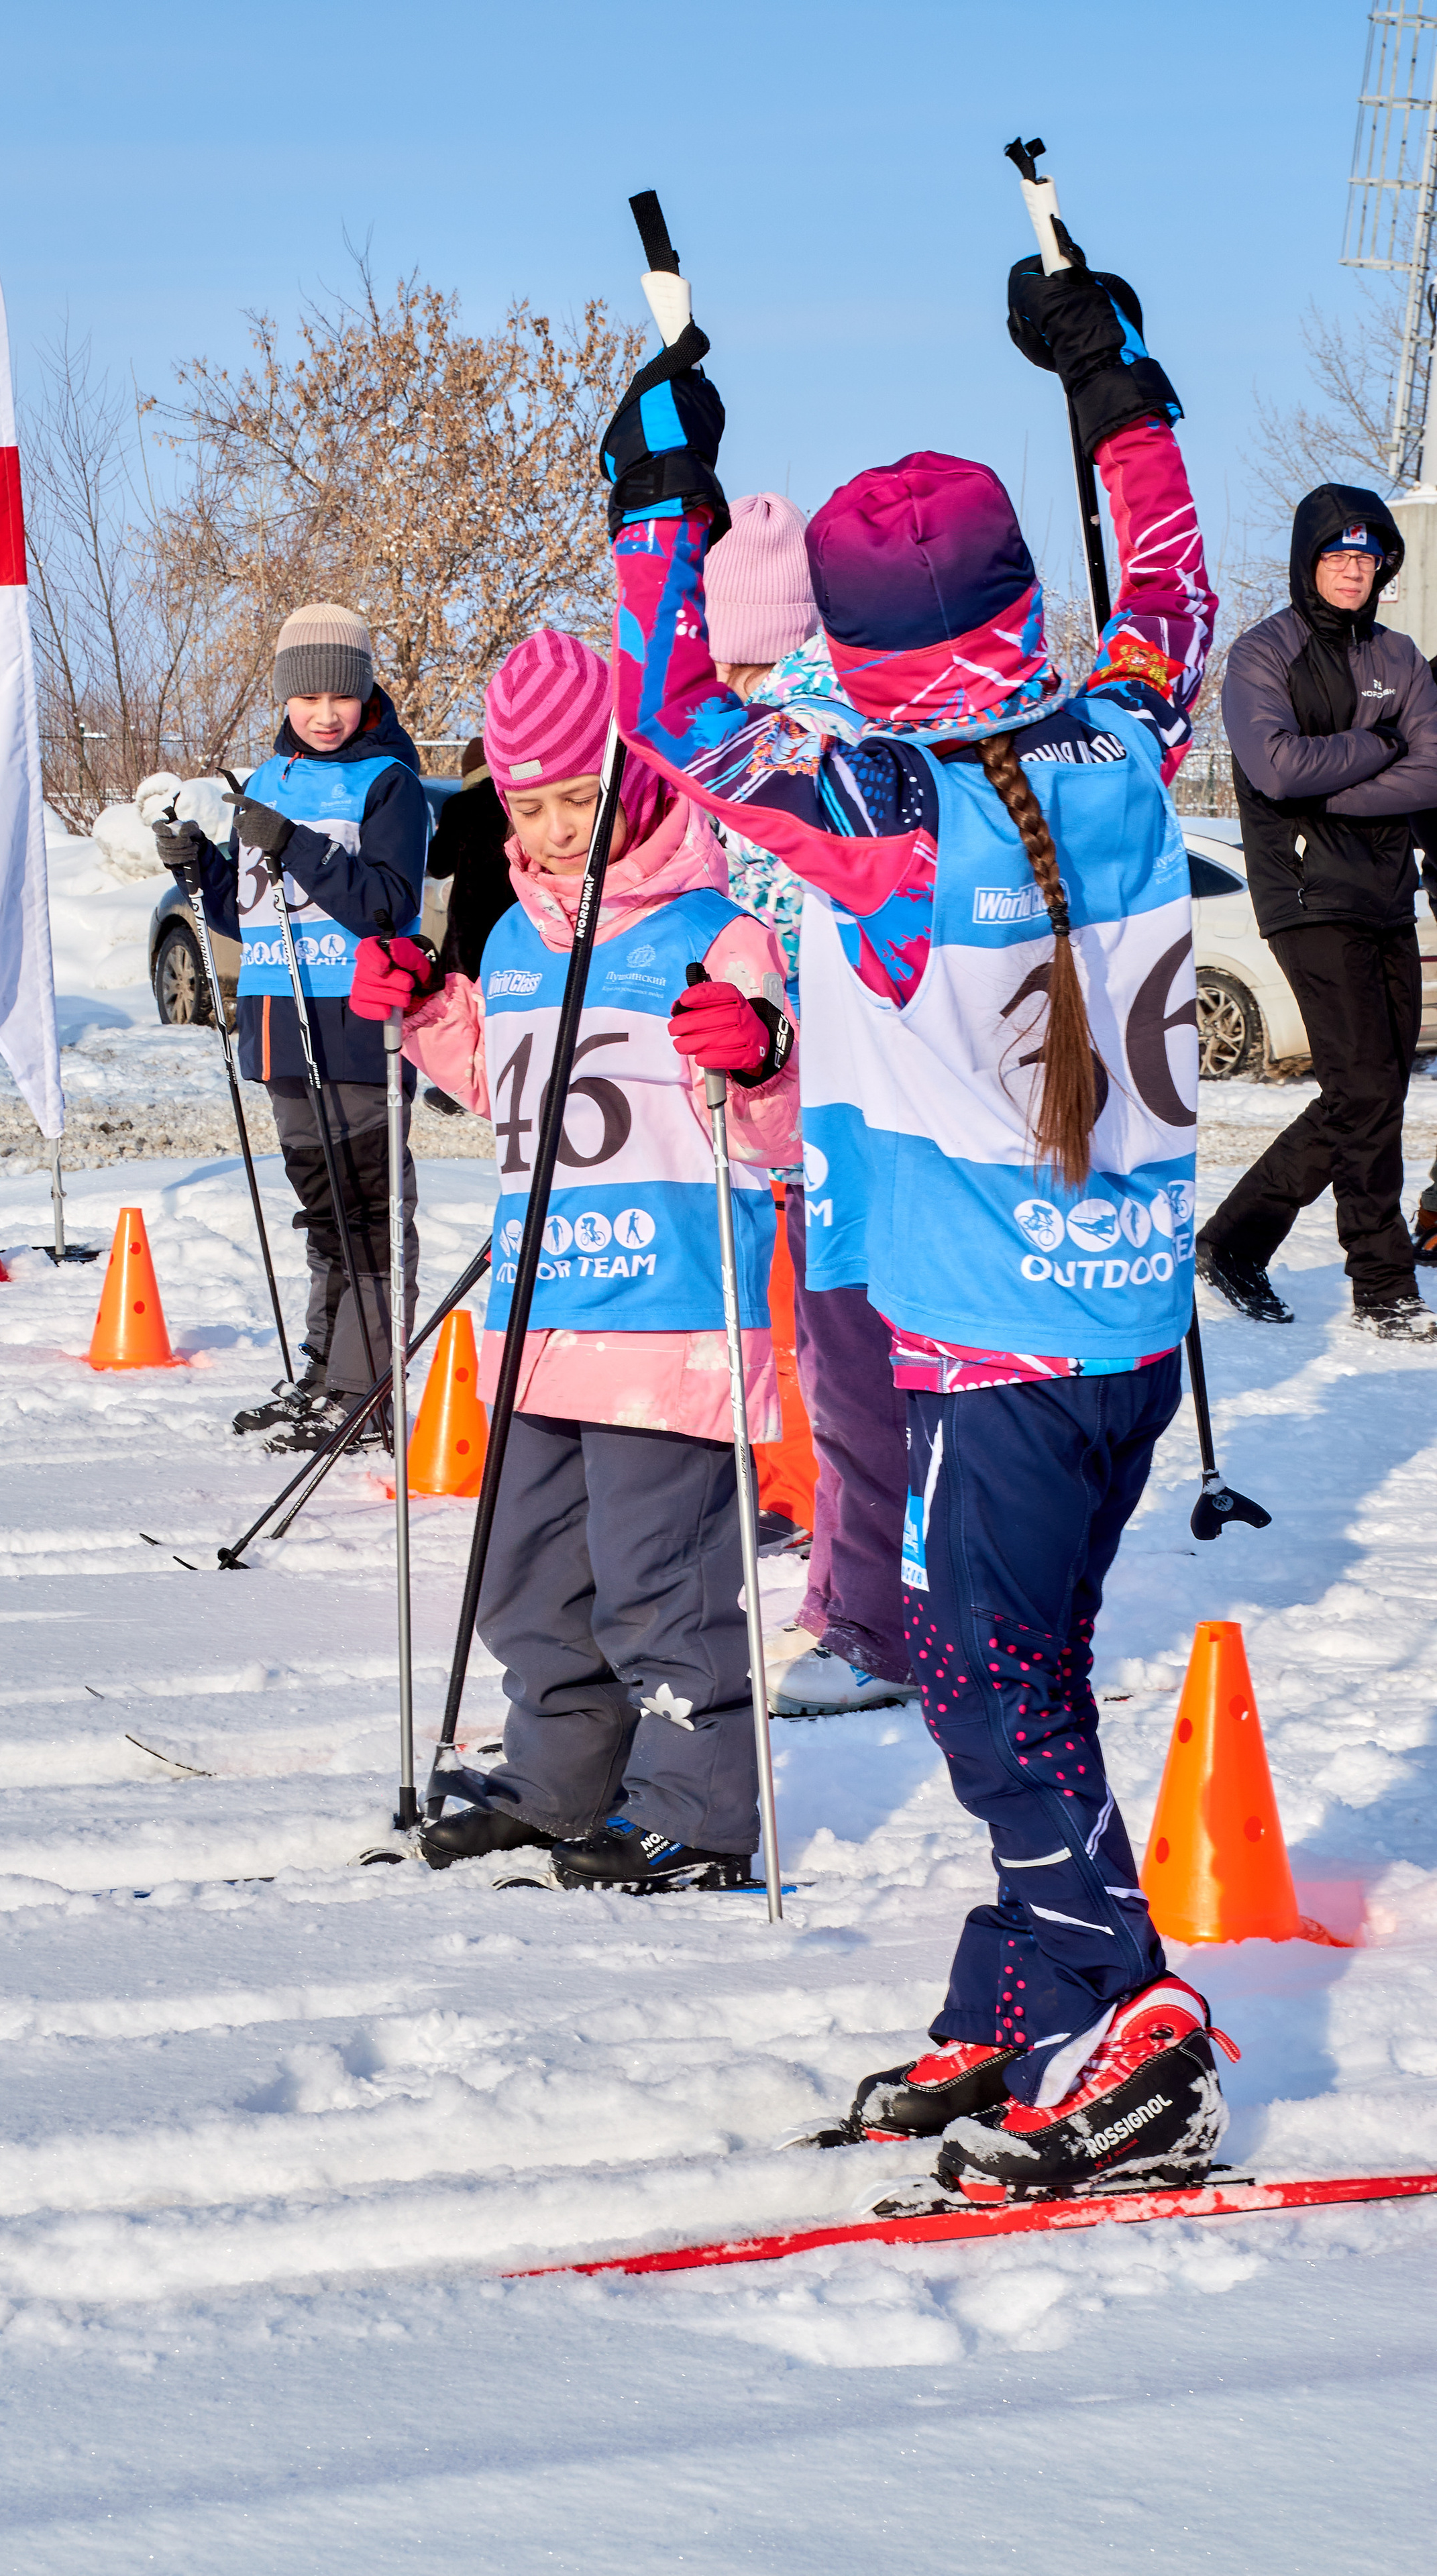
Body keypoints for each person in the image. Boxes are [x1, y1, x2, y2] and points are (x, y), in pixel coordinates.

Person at [598, 233, 1236, 2190]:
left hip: (1001, 1333)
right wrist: (1115, 383)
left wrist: (655, 500)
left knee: (979, 1672)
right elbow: (1173, 589)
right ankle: (1015, 1988)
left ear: (859, 653)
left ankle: (1114, 1998)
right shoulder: (1124, 724)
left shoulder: (882, 814)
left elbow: (674, 720)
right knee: (1004, 1648)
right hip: (1118, 1324)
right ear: (1018, 611)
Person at [348, 628, 800, 1890]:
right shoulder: (514, 945)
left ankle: (697, 1810)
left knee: (663, 1589)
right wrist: (432, 1011)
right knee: (526, 1579)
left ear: (640, 778)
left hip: (668, 1321)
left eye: (579, 800)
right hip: (542, 1312)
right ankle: (560, 1779)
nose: (555, 830)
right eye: (530, 805)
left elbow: (782, 1130)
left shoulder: (722, 931)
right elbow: (510, 1096)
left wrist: (755, 1053)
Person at [706, 492, 917, 1719]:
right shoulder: (841, 722)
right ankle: (855, 1584)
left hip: (823, 1102)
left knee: (848, 1368)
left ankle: (868, 1620)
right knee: (838, 1359)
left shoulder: (791, 741)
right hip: (829, 1095)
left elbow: (783, 932)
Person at [154, 604, 428, 1448]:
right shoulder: (266, 781)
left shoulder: (388, 783)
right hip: (277, 1026)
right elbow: (247, 914)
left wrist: (300, 846)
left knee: (368, 1210)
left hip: (353, 1023)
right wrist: (198, 865)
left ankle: (365, 1388)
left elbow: (388, 904)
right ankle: (322, 1370)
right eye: (305, 695)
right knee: (321, 1211)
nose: (323, 712)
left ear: (363, 693)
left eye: (339, 695)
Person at [1194, 493, 1437, 1339]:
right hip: (1304, 894)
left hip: (1383, 895)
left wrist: (1325, 778)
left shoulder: (1398, 656)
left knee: (1369, 1089)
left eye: (1365, 560)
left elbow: (1432, 772)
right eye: (1336, 557)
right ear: (1307, 563)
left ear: (1383, 570)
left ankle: (1233, 1240)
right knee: (1364, 1088)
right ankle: (1382, 1283)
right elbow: (1273, 767)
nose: (1350, 571)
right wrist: (1378, 749)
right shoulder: (1263, 654)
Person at [418, 735, 515, 1116]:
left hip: (473, 926)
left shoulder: (462, 806)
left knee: (467, 1011)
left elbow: (436, 865)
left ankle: (460, 1088)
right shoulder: (522, 802)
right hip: (522, 922)